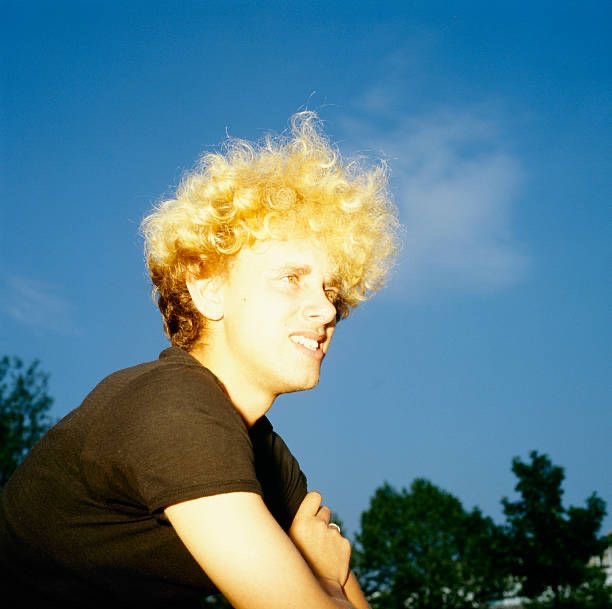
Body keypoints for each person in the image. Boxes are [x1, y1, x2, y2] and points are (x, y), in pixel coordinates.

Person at [0, 111, 401, 608]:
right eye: (291, 279)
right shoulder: (171, 408)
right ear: (208, 289)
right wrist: (322, 577)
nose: (326, 310)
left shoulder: (267, 457)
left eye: (331, 290)